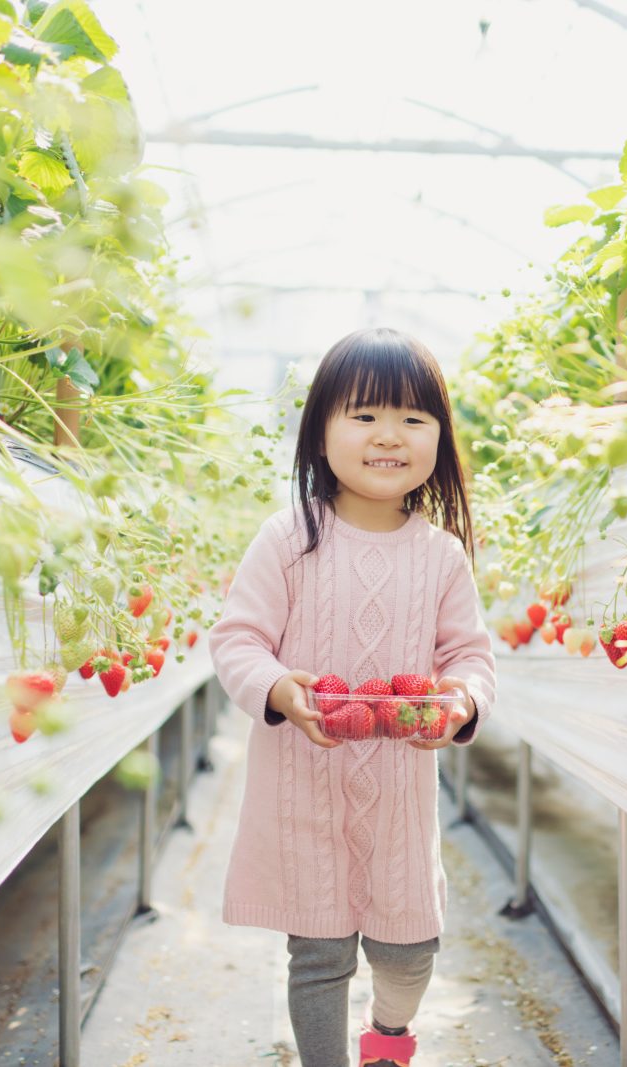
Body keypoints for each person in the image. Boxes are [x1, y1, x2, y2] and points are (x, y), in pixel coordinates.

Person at [207, 327, 496, 1067]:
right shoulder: (289, 538)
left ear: (439, 435)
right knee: (320, 953)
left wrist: (459, 702)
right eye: (364, 415)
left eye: (411, 417)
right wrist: (277, 686)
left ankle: (389, 1037)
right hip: (308, 792)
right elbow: (236, 639)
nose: (388, 435)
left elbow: (469, 654)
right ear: (321, 431)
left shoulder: (441, 555)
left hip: (399, 801)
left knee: (409, 953)